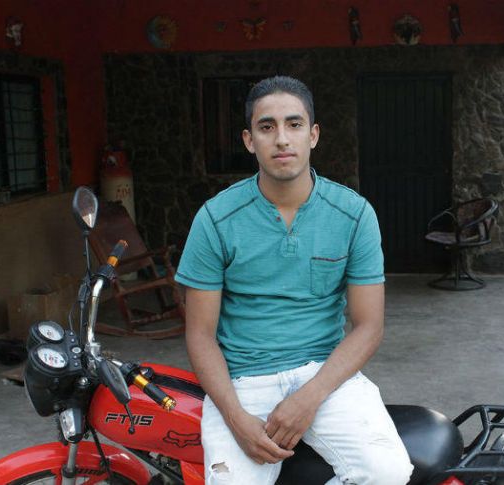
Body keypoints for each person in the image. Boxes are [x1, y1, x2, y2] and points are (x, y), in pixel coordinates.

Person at [175, 76, 414, 484]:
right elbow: (200, 334)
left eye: (294, 124)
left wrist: (311, 396)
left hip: (325, 373)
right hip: (242, 379)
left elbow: (369, 326)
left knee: (388, 473)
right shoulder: (216, 219)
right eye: (267, 127)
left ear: (313, 134)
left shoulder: (354, 214)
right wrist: (234, 416)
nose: (282, 139)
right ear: (249, 140)